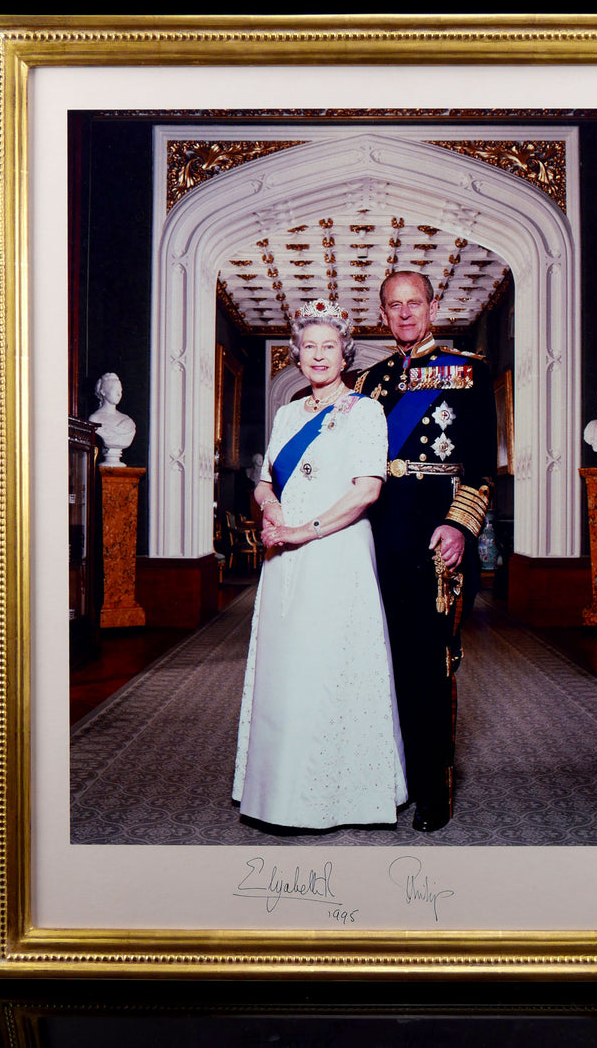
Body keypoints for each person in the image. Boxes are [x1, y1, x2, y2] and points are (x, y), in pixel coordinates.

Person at [232, 300, 408, 830]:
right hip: (284, 556)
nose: (318, 355)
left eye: (328, 346)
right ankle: (277, 795)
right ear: (297, 355)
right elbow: (265, 481)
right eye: (309, 347)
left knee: (330, 663)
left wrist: (302, 531)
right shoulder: (288, 413)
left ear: (344, 353)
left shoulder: (365, 412)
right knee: (287, 667)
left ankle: (343, 796)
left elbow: (366, 492)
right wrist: (272, 510)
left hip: (335, 551)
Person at [354, 271, 498, 831]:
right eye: (395, 305)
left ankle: (432, 789)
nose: (406, 314)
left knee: (427, 664)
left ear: (433, 306)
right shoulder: (369, 381)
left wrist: (460, 525)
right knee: (376, 660)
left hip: (435, 529)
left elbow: (482, 464)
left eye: (415, 303)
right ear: (384, 313)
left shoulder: (469, 371)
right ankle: (386, 779)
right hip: (375, 528)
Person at [88, 372, 137, 466]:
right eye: (115, 390)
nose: (119, 394)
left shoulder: (127, 420)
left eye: (121, 390)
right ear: (103, 392)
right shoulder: (95, 419)